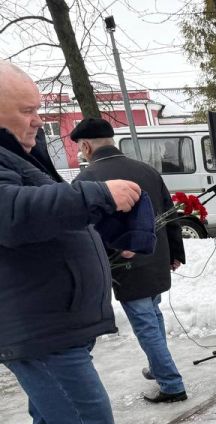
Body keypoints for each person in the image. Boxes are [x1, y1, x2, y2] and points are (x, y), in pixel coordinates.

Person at [0, 62, 172, 424]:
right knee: (85, 413)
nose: (38, 120)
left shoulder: (20, 157)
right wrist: (95, 194)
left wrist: (107, 243)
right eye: (27, 111)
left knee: (53, 413)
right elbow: (16, 216)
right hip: (37, 324)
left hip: (52, 317)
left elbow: (49, 226)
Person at [72, 118, 189, 403]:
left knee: (146, 322)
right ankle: (158, 366)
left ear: (86, 146)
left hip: (126, 264)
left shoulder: (86, 181)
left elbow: (87, 231)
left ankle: (171, 384)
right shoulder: (146, 170)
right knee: (153, 314)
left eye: (79, 148)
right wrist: (175, 254)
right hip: (156, 258)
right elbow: (170, 214)